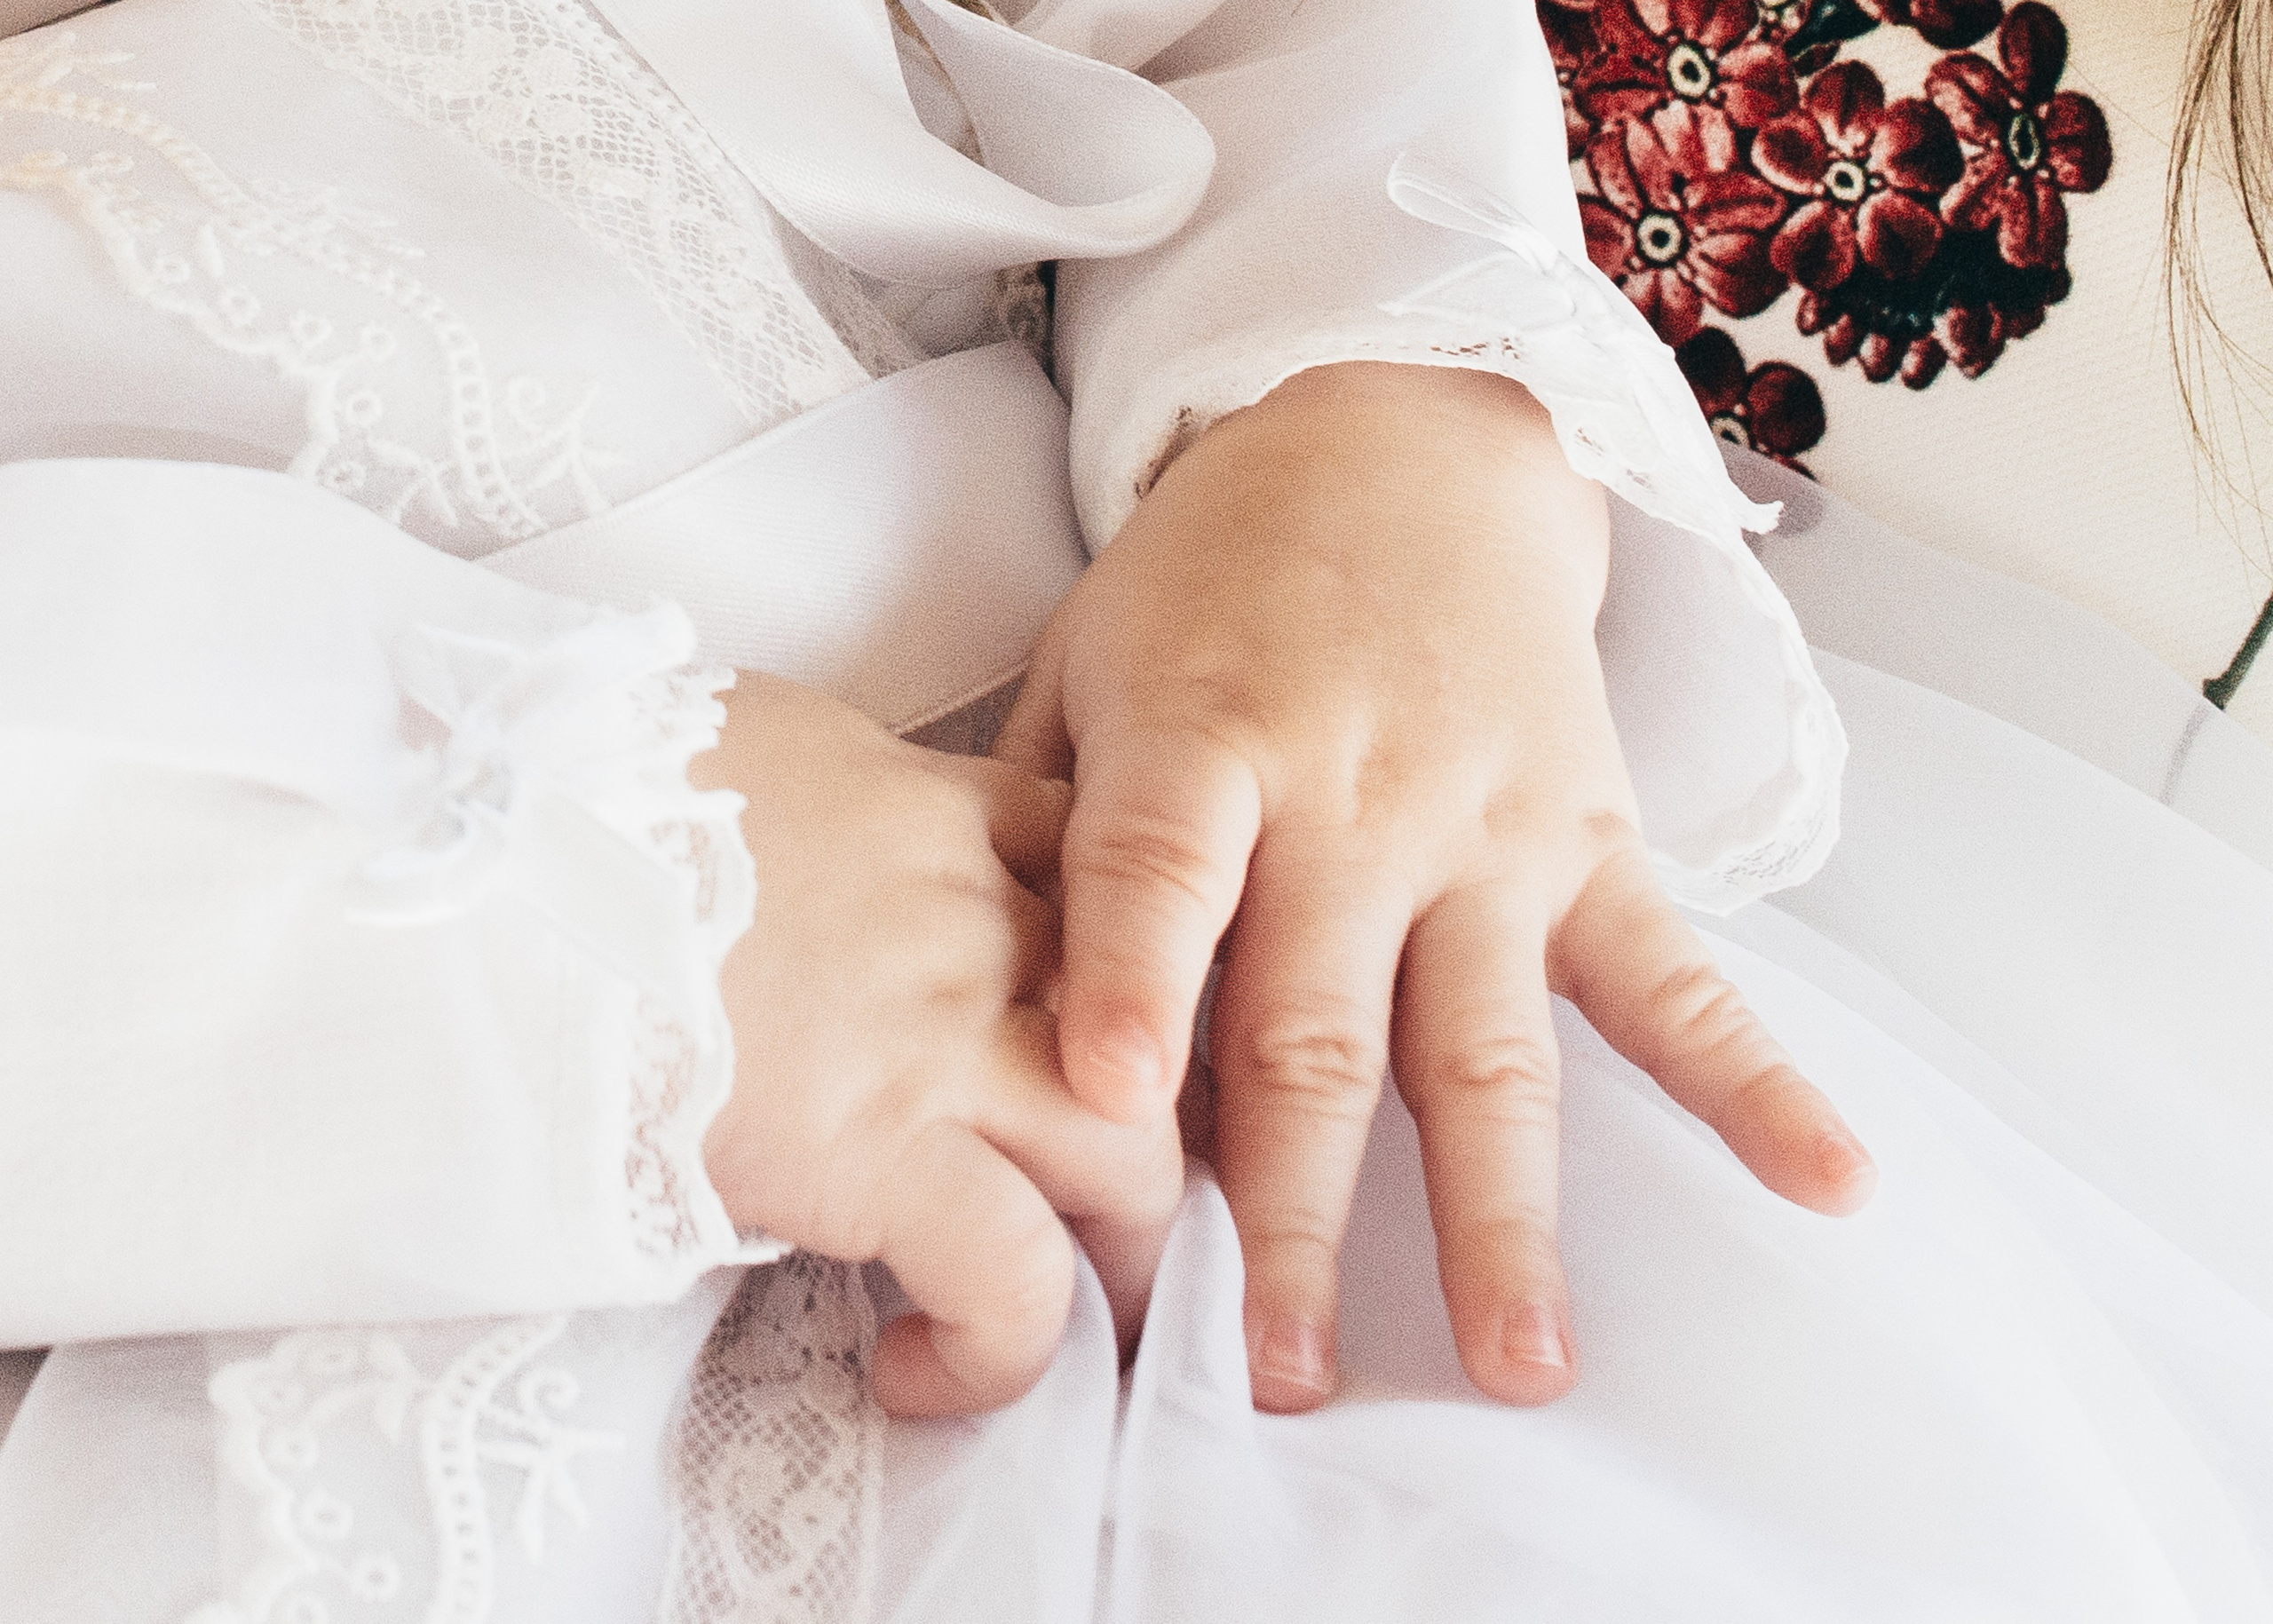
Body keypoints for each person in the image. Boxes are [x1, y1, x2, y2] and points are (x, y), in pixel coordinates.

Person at [0, 2, 2267, 1621]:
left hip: (1283, 909)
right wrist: (597, 922)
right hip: (353, 1246)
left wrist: (1366, 408)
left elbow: (1264, 38)